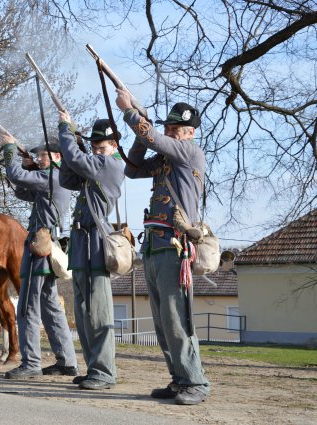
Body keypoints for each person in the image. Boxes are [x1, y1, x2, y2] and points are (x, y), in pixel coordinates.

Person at [115, 87, 210, 405]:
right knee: (161, 322)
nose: (170, 133)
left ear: (190, 132)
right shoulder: (164, 159)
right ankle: (179, 379)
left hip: (175, 247)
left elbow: (154, 139)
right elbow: (131, 168)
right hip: (154, 247)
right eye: (167, 128)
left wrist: (132, 114)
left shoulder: (190, 152)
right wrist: (140, 126)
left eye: (176, 129)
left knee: (176, 319)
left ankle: (195, 381)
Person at [0, 136, 78, 380]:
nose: (39, 158)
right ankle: (67, 361)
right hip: (48, 246)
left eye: (43, 155)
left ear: (56, 157)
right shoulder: (55, 177)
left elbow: (15, 176)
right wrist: (28, 165)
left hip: (40, 249)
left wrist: (9, 149)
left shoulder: (52, 177)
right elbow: (24, 193)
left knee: (26, 308)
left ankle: (31, 362)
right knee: (51, 308)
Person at [57, 114, 125, 390]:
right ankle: (93, 368)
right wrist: (70, 143)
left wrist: (66, 129)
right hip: (82, 243)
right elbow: (66, 178)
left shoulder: (110, 165)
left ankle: (105, 371)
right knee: (84, 314)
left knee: (98, 314)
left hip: (97, 242)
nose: (98, 150)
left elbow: (76, 160)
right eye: (94, 146)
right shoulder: (94, 166)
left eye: (103, 146)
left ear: (114, 147)